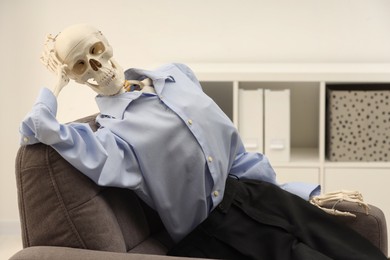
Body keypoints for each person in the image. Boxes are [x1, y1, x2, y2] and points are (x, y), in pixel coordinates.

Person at [20, 25, 387, 259]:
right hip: (219, 227)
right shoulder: (109, 138)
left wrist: (293, 194)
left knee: (351, 246)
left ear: (107, 41)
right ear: (74, 76)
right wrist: (57, 80)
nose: (96, 67)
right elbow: (36, 127)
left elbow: (233, 152)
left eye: (95, 51)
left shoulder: (175, 75)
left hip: (255, 193)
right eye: (80, 66)